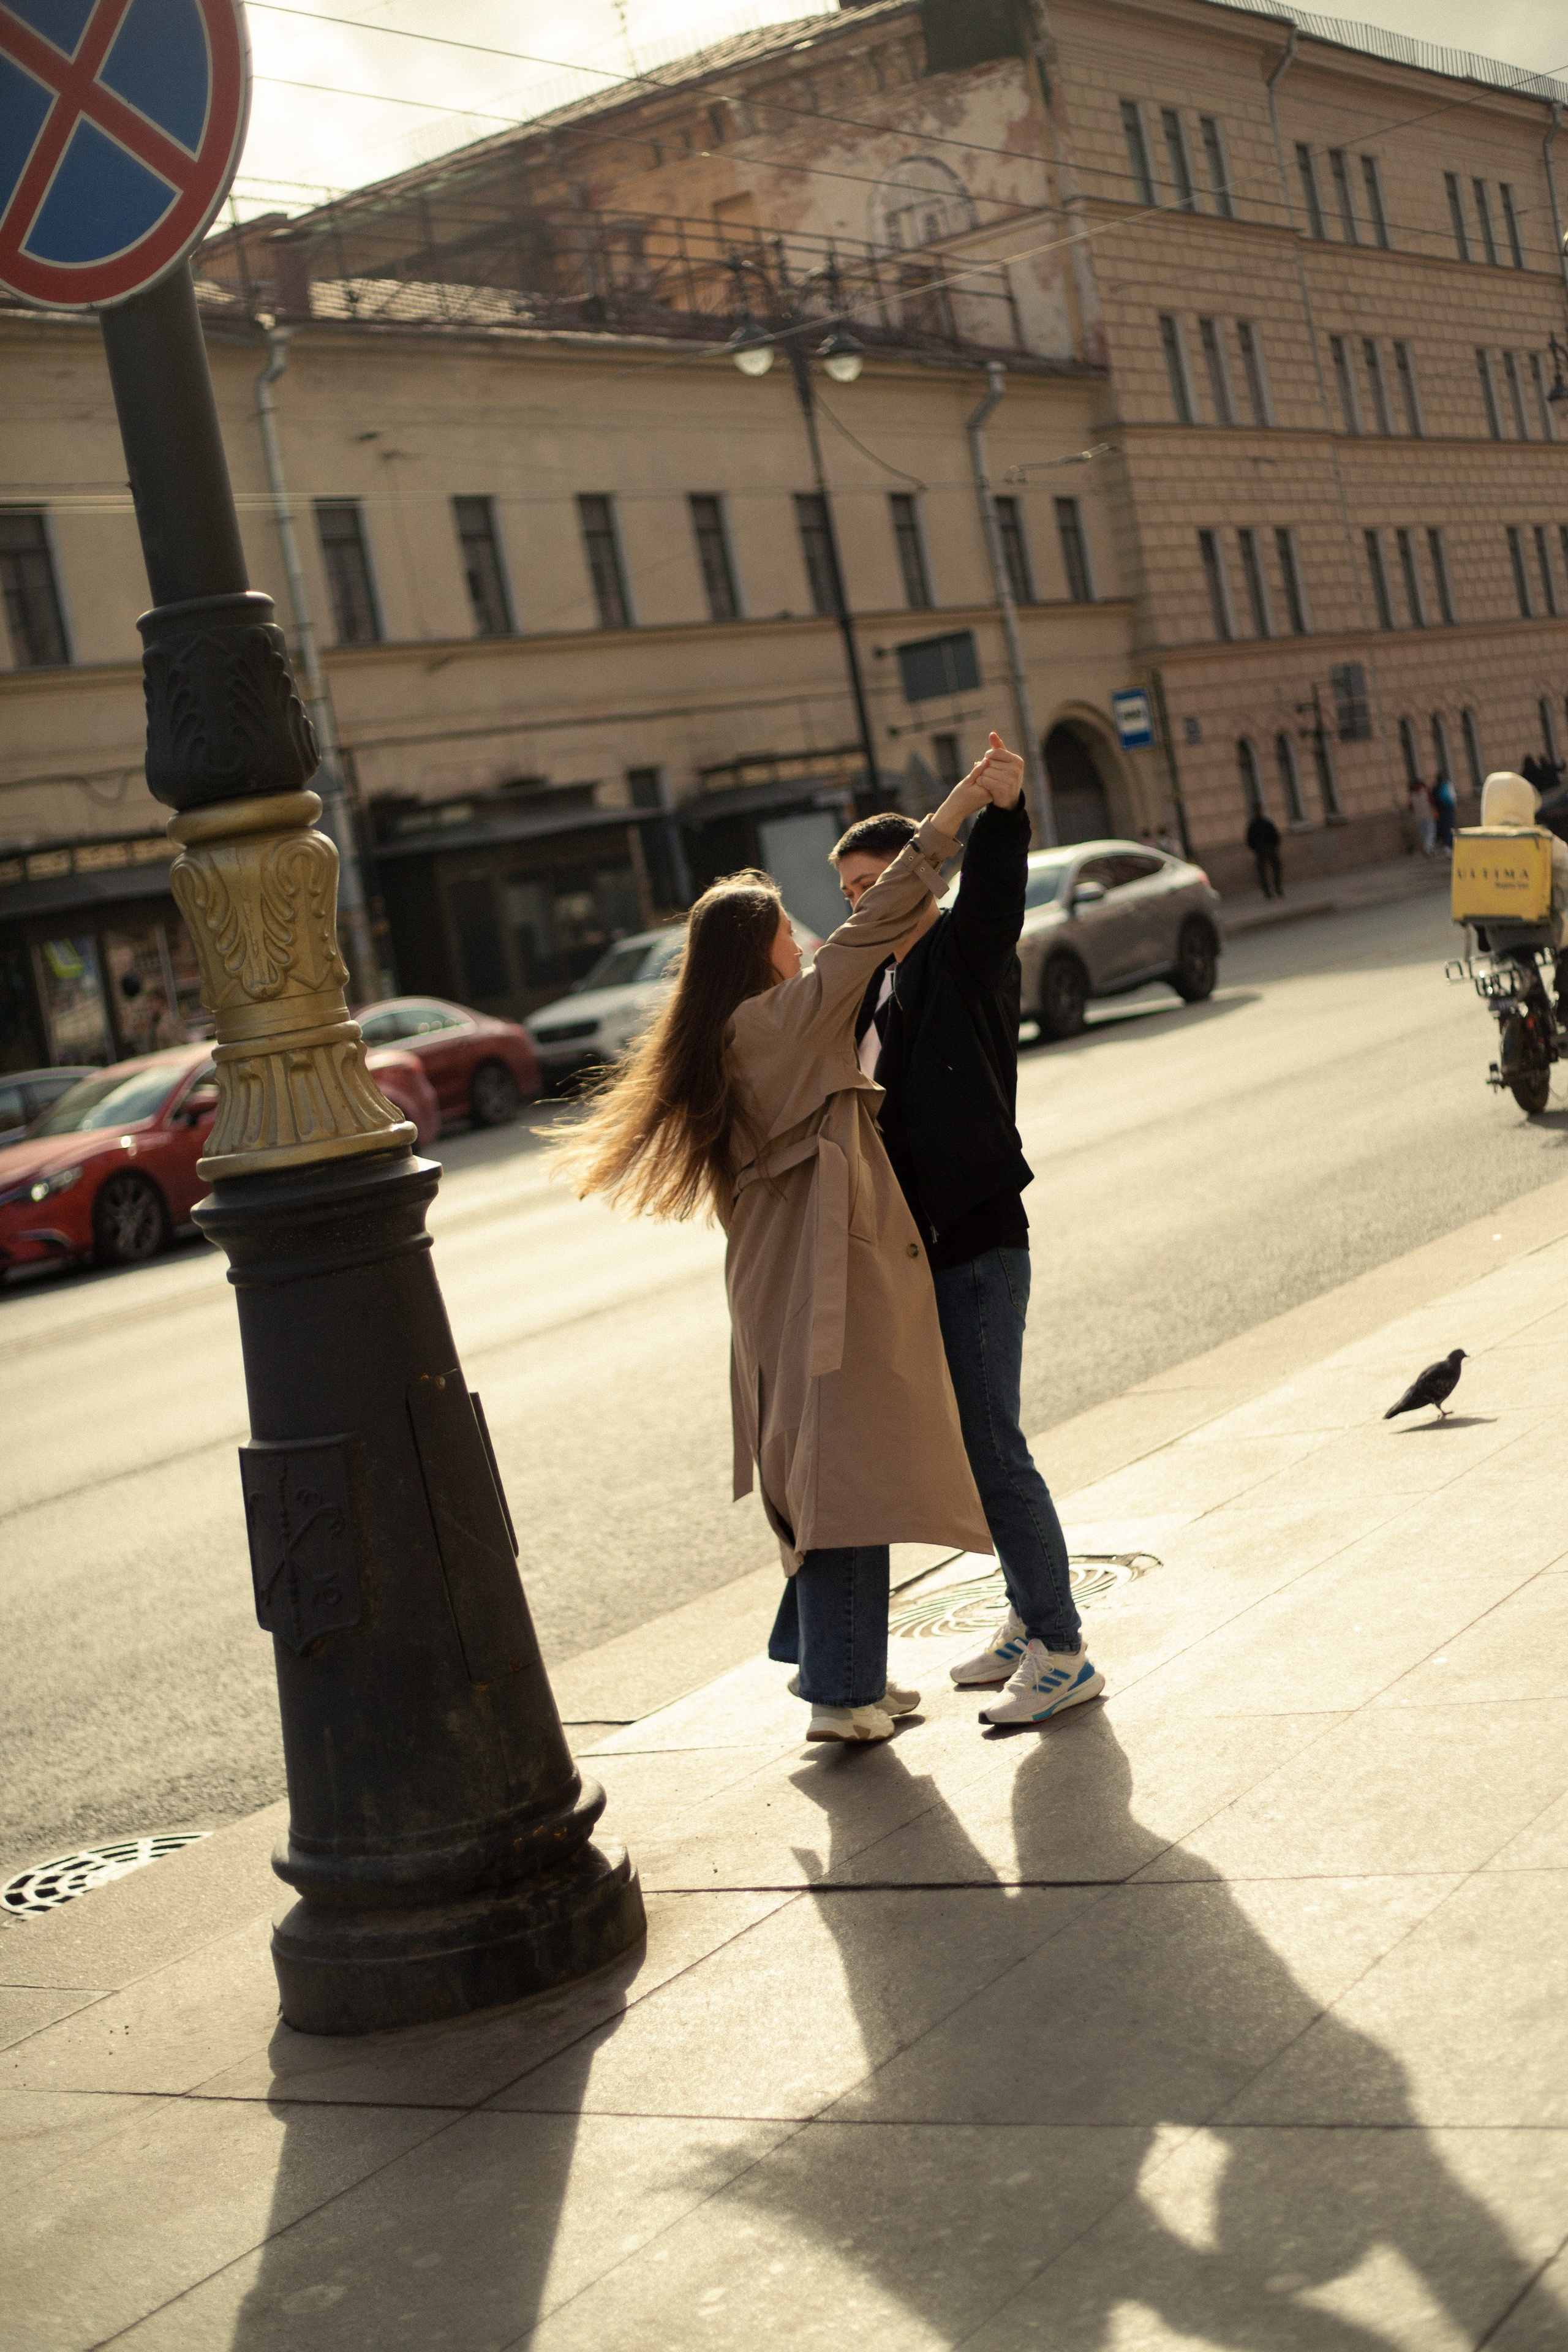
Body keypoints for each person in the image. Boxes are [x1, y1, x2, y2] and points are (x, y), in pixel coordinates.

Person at [556, 758, 1006, 1744]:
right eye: (785, 931)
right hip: (818, 1276)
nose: (803, 939)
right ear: (758, 954)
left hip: (783, 1276)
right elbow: (879, 922)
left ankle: (848, 1673)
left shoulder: (724, 1034)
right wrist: (963, 807)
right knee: (845, 1475)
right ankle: (841, 1693)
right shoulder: (779, 1022)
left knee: (840, 1469)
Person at [830, 732, 1105, 1730]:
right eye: (851, 888)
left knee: (995, 1444)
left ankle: (1065, 1648)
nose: (864, 900)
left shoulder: (963, 954)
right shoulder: (883, 988)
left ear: (920, 882)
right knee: (970, 1444)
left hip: (981, 1235)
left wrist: (1003, 810)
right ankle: (1031, 1621)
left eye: (879, 880)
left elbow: (995, 891)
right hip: (928, 1248)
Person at [1245, 807, 1283, 899]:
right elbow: (1275, 836)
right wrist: (1273, 847)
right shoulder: (1265, 823)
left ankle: (1269, 891)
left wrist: (1256, 849)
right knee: (1273, 869)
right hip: (1268, 849)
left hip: (1262, 850)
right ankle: (1276, 888)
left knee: (1264, 872)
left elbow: (1249, 840)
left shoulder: (1254, 825)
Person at [1408, 777, 1436, 857]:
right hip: (1428, 815)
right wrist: (1434, 811)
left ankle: (1431, 849)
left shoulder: (1412, 794)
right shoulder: (1426, 792)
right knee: (1431, 833)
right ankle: (1428, 847)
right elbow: (1432, 802)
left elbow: (1410, 807)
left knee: (1425, 834)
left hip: (1418, 817)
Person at [1433, 769, 1457, 853]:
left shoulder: (1435, 788)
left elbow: (1434, 801)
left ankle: (1445, 845)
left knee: (1443, 828)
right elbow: (1453, 797)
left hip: (1440, 811)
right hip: (1448, 810)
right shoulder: (1447, 785)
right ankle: (1448, 845)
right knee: (1449, 828)